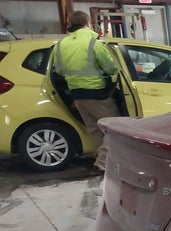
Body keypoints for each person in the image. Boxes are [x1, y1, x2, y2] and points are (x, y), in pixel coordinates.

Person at [51, 10, 120, 171]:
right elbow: (111, 68)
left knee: (94, 128)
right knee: (115, 127)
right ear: (87, 23)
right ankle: (103, 162)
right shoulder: (93, 43)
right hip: (96, 92)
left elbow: (59, 70)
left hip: (76, 93)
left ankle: (102, 159)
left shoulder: (61, 45)